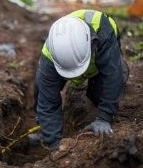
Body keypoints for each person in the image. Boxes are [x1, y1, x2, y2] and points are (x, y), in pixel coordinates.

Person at [29, 9, 129, 150]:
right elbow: (47, 103)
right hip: (63, 62)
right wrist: (55, 146)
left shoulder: (103, 32)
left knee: (104, 90)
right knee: (41, 90)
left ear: (92, 44)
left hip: (100, 58)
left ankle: (118, 69)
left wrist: (103, 118)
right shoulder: (50, 54)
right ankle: (44, 129)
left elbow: (112, 77)